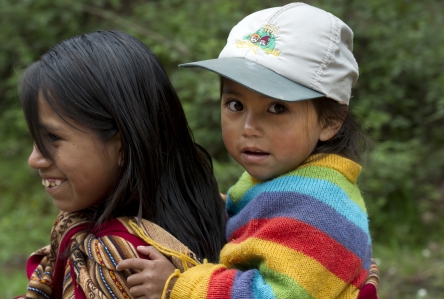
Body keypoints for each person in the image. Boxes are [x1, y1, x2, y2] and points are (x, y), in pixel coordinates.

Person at [117, 3, 379, 299]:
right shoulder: (288, 180)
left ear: (330, 120)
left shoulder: (318, 208)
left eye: (277, 107)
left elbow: (273, 295)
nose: (249, 127)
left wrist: (181, 286)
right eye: (236, 105)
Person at [16, 30, 227, 298]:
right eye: (36, 140)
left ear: (123, 146)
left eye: (53, 138)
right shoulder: (222, 211)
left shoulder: (113, 261)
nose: (34, 159)